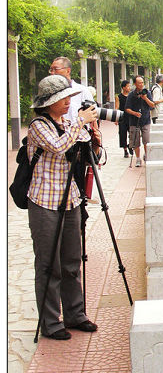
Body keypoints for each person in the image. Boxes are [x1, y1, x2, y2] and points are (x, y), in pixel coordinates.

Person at [26, 75, 101, 341]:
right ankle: (50, 322)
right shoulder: (38, 125)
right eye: (64, 98)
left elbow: (82, 146)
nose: (69, 102)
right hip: (44, 202)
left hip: (71, 199)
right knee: (49, 266)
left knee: (71, 261)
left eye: (69, 97)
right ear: (50, 102)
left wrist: (91, 129)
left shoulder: (68, 121)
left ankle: (75, 314)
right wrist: (80, 122)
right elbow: (58, 146)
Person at [125, 76, 160, 167]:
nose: (141, 84)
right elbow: (127, 108)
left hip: (145, 120)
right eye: (139, 82)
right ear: (135, 84)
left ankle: (146, 155)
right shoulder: (131, 95)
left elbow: (152, 105)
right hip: (134, 121)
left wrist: (145, 98)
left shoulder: (147, 93)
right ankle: (138, 158)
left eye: (142, 82)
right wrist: (135, 113)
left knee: (146, 140)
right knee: (136, 141)